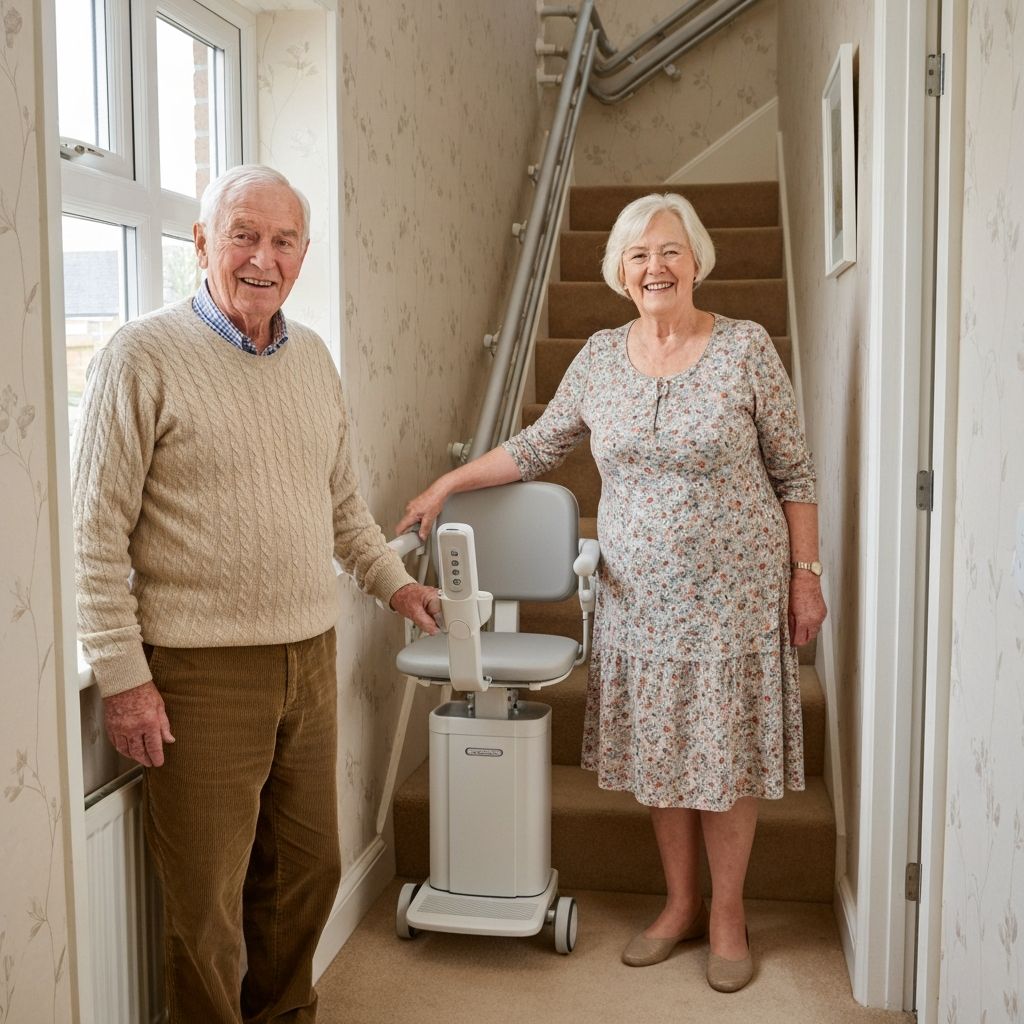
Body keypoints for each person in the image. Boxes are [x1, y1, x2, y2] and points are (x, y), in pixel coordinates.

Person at [397, 192, 826, 994]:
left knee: (724, 756)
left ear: (696, 260)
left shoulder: (745, 348)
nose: (655, 267)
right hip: (640, 600)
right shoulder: (598, 356)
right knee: (663, 755)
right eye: (639, 255)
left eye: (669, 251)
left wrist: (807, 576)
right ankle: (679, 905)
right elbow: (538, 446)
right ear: (620, 273)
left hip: (735, 596)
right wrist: (449, 482)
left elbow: (795, 473)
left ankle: (728, 916)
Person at [73, 164, 440, 1024]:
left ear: (304, 255)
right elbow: (95, 536)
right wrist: (123, 677)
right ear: (201, 243)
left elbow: (342, 506)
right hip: (199, 673)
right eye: (243, 234)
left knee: (306, 875)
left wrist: (395, 585)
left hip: (308, 657)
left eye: (282, 240)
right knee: (206, 909)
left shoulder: (311, 357)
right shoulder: (141, 354)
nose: (262, 257)